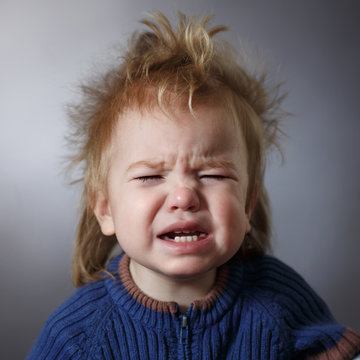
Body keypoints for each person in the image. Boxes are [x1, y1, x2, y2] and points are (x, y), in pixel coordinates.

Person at [27, 12, 360, 359]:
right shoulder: (78, 335)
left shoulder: (279, 301)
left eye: (213, 175)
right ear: (105, 208)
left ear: (247, 205)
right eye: (151, 176)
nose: (184, 196)